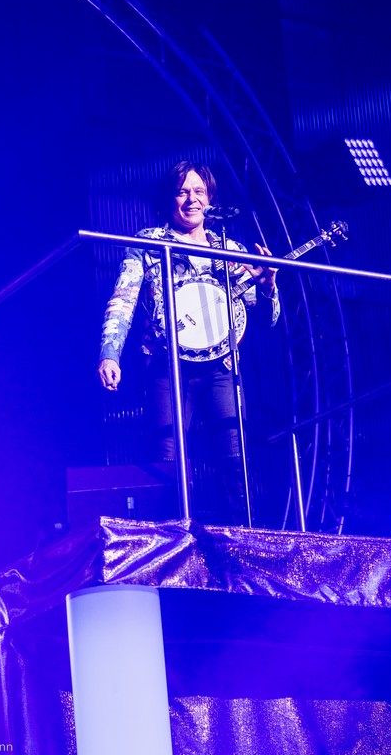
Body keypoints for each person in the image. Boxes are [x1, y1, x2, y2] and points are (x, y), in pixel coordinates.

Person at [97, 160, 280, 525]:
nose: (191, 199)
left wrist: (268, 286)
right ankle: (169, 542)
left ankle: (240, 540)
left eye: (199, 192)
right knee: (166, 457)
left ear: (211, 200)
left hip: (222, 368)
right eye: (182, 192)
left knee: (234, 458)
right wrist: (110, 353)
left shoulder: (230, 249)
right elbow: (123, 299)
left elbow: (264, 319)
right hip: (168, 367)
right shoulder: (149, 243)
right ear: (169, 199)